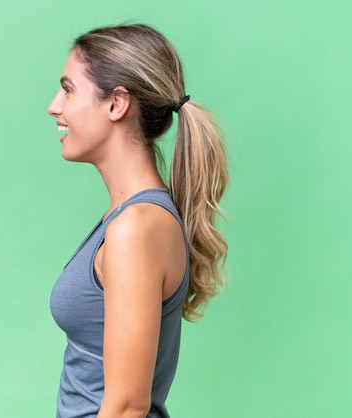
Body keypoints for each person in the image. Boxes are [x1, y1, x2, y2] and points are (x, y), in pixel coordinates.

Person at [47, 24, 228, 418]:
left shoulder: (137, 228)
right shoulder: (129, 219)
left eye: (68, 89)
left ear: (117, 103)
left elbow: (128, 407)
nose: (54, 106)